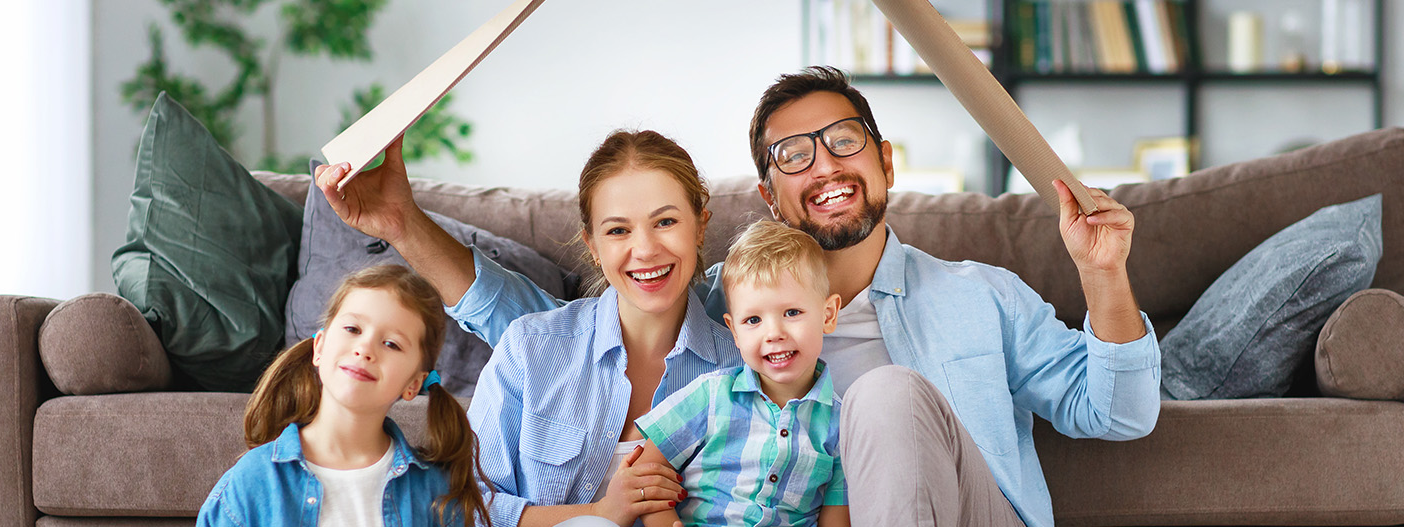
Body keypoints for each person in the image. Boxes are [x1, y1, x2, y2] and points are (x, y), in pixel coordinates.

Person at [323, 66, 1161, 527]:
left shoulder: (981, 295)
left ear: (886, 162)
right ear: (765, 197)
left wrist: (1103, 274)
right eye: (794, 156)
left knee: (886, 395)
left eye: (843, 143)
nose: (825, 166)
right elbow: (560, 336)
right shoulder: (727, 307)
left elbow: (1117, 412)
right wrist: (402, 224)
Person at [315, 130, 745, 527]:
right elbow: (465, 505)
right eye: (618, 230)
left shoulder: (742, 369)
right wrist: (599, 515)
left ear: (700, 225)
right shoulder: (531, 348)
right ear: (592, 246)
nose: (646, 249)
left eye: (666, 222)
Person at [197, 265, 488, 527]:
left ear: (413, 383)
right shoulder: (254, 480)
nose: (364, 349)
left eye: (391, 344)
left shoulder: (434, 493)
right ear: (319, 347)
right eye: (352, 329)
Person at [633, 220, 849, 527]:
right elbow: (647, 469)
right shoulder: (710, 395)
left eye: (792, 313)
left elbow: (836, 518)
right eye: (753, 320)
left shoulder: (841, 426)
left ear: (828, 315)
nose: (774, 333)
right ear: (734, 331)